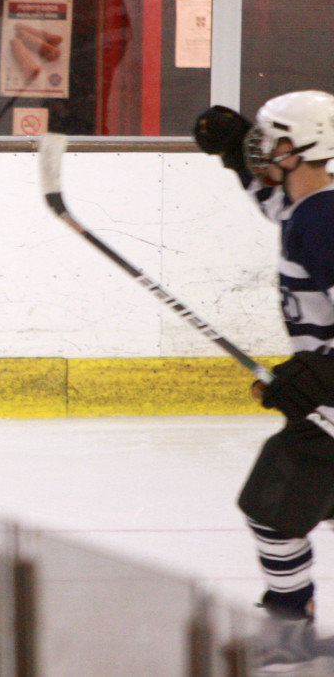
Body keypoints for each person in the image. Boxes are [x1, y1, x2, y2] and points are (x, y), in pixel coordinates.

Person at [195, 91, 334, 666]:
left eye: (268, 138)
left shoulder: (326, 219)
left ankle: (289, 626)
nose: (260, 147)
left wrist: (317, 375)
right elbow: (276, 204)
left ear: (301, 148)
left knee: (273, 504)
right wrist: (232, 153)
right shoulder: (307, 206)